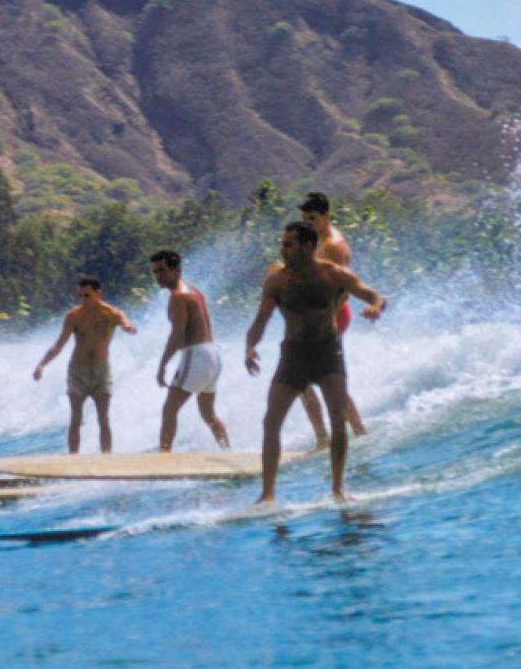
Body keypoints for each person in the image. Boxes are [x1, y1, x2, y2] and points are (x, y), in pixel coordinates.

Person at [245, 221, 386, 503]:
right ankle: (267, 494)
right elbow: (261, 319)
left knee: (337, 419)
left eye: (288, 244)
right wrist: (250, 346)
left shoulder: (332, 274)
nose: (282, 250)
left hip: (327, 353)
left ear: (308, 246)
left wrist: (375, 305)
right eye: (282, 244)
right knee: (271, 421)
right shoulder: (277, 281)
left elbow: (370, 293)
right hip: (294, 355)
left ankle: (337, 489)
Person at [33, 276, 137, 453]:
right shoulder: (74, 316)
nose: (83, 300)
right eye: (80, 296)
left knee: (103, 418)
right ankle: (73, 459)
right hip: (78, 371)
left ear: (99, 293)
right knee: (76, 418)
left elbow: (125, 324)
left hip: (101, 372)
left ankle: (107, 460)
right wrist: (41, 364)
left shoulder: (112, 314)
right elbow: (59, 344)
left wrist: (128, 328)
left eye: (87, 295)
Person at [296, 192, 368, 442]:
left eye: (312, 218)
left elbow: (345, 288)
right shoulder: (313, 239)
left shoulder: (334, 245)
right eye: (304, 218)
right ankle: (325, 437)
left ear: (326, 216)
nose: (307, 222)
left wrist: (327, 319)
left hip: (333, 315)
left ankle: (355, 432)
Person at [150, 250, 230, 451]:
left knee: (169, 409)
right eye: (155, 272)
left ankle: (163, 457)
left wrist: (162, 366)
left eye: (162, 270)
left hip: (196, 356)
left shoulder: (178, 296)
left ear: (176, 269)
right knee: (208, 413)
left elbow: (177, 335)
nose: (158, 276)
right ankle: (227, 451)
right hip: (212, 355)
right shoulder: (194, 292)